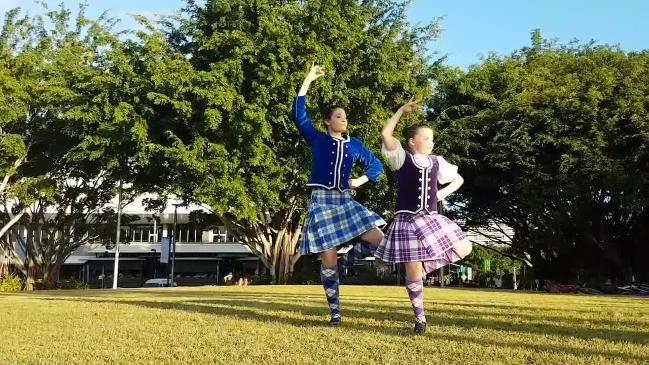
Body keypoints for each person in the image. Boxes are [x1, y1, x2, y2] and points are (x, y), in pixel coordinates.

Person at [292, 63, 386, 326]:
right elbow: (298, 115)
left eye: (345, 117)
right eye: (338, 116)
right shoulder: (318, 139)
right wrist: (308, 79)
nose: (343, 120)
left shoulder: (354, 144)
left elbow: (376, 165)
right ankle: (335, 314)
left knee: (381, 240)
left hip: (345, 200)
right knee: (328, 260)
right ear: (327, 121)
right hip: (322, 202)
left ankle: (350, 260)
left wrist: (360, 180)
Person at [375, 97, 472, 333]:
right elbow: (386, 134)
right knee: (412, 271)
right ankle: (420, 319)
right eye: (426, 137)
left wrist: (440, 195)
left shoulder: (437, 162)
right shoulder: (402, 159)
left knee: (464, 247)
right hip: (407, 221)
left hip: (430, 219)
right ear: (411, 141)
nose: (430, 141)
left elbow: (457, 179)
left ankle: (425, 267)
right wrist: (400, 110)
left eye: (432, 138)